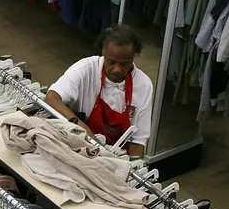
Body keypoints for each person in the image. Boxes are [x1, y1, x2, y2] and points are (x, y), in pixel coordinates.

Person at [45, 23, 154, 157]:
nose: (117, 69)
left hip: (116, 156)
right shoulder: (85, 70)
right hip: (81, 146)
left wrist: (134, 168)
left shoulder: (143, 85)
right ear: (103, 53)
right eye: (112, 62)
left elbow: (138, 140)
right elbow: (52, 98)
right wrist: (85, 131)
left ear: (133, 57)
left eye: (125, 64)